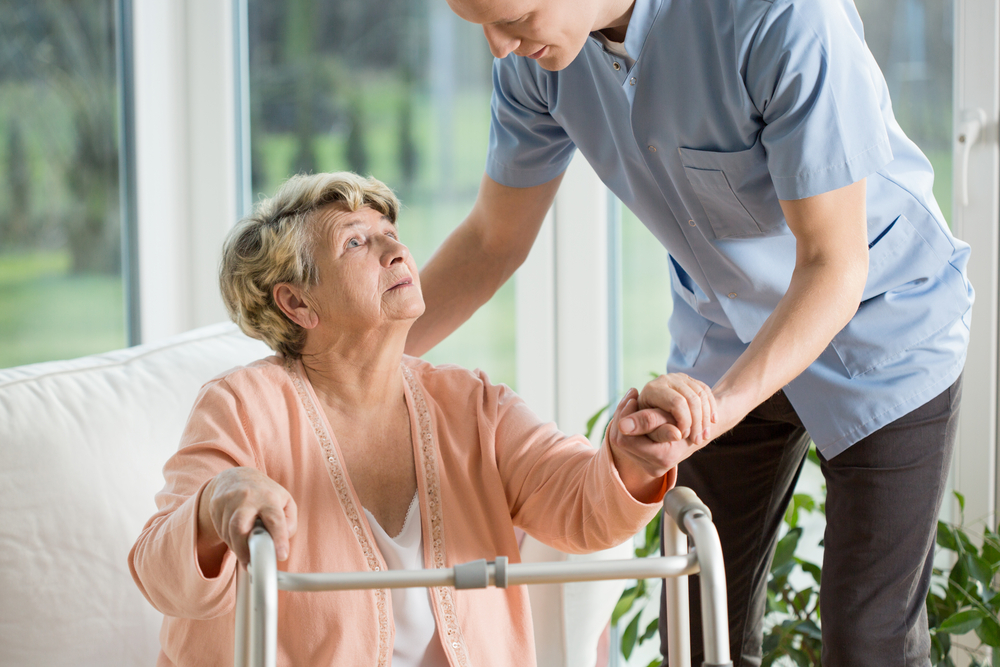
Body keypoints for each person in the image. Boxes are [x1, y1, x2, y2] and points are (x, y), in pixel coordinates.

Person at [406, 0, 974, 665]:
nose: (498, 48)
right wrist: (345, 355)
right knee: (698, 622)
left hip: (880, 321)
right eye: (480, 24)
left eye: (515, 17)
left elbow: (832, 264)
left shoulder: (781, 17)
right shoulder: (538, 61)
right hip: (727, 324)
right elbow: (490, 240)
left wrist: (716, 407)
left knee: (867, 637)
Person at [127, 171, 704, 667]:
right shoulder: (242, 406)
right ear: (298, 303)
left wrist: (630, 458)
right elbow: (159, 570)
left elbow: (583, 504)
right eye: (356, 244)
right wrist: (213, 503)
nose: (396, 252)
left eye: (391, 236)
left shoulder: (472, 404)